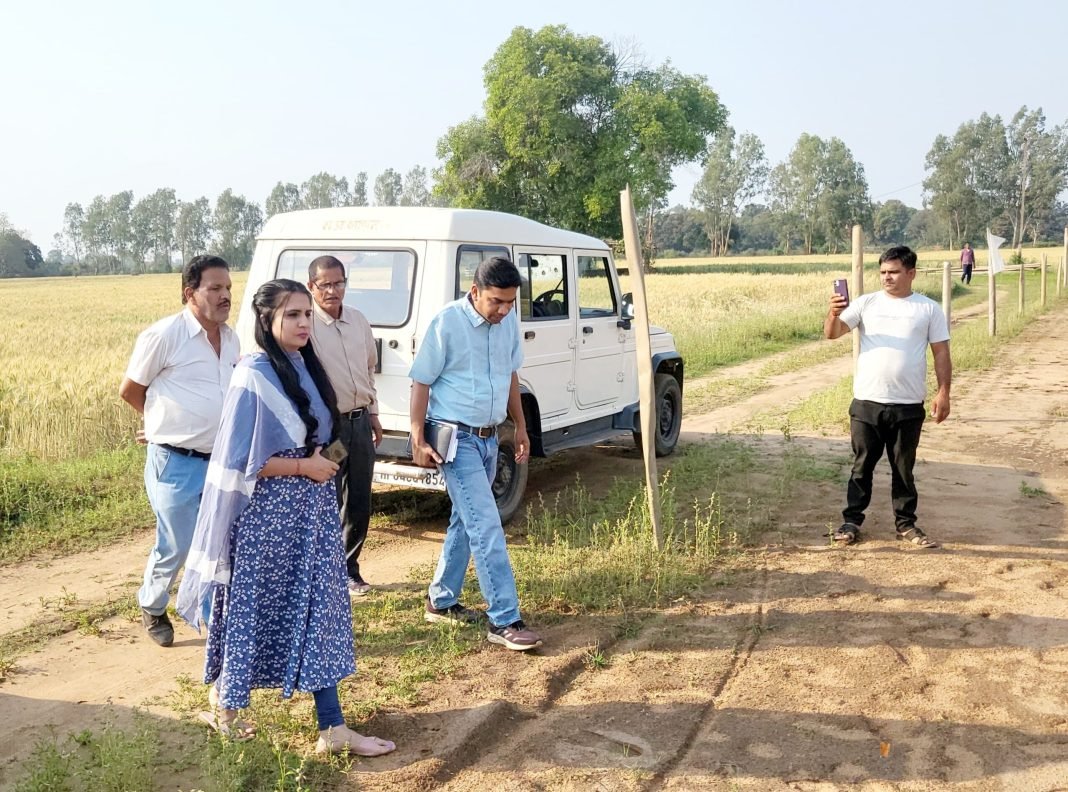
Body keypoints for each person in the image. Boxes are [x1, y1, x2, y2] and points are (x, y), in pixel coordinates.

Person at [175, 279, 395, 756]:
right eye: (292, 314)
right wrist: (303, 468)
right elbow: (240, 459)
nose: (303, 323)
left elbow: (326, 436)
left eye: (306, 314)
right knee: (251, 609)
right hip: (266, 521)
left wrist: (327, 462)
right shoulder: (253, 373)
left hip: (312, 514)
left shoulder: (308, 366)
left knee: (320, 610)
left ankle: (332, 728)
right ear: (267, 319)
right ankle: (226, 709)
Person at [408, 256, 543, 651]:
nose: (503, 310)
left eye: (510, 302)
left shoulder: (508, 322)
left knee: (465, 522)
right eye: (495, 301)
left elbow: (510, 374)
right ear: (475, 291)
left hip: (489, 438)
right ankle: (504, 619)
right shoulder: (447, 323)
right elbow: (421, 381)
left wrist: (520, 426)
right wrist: (417, 436)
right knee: (486, 526)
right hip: (456, 441)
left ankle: (440, 600)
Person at [119, 255, 239, 647]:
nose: (225, 295)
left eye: (228, 288)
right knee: (178, 544)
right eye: (215, 288)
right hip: (175, 462)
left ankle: (210, 616)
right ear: (190, 293)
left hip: (220, 461)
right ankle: (153, 604)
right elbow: (131, 390)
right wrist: (159, 425)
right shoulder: (164, 335)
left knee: (216, 541)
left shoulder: (232, 338)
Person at [824, 245, 952, 549]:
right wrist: (833, 313)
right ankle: (851, 522)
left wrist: (944, 392)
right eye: (882, 272)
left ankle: (906, 524)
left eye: (893, 272)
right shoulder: (866, 303)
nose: (886, 277)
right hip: (867, 402)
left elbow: (941, 352)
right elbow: (832, 333)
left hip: (908, 404)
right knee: (862, 466)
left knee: (903, 468)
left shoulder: (928, 309)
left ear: (911, 273)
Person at [306, 255, 382, 596]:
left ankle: (349, 570)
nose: (332, 291)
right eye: (325, 285)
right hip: (330, 432)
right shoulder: (306, 326)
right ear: (311, 287)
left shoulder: (358, 320)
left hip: (359, 424)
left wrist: (374, 414)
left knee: (359, 500)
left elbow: (369, 370)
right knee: (328, 498)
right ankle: (323, 573)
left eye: (339, 283)